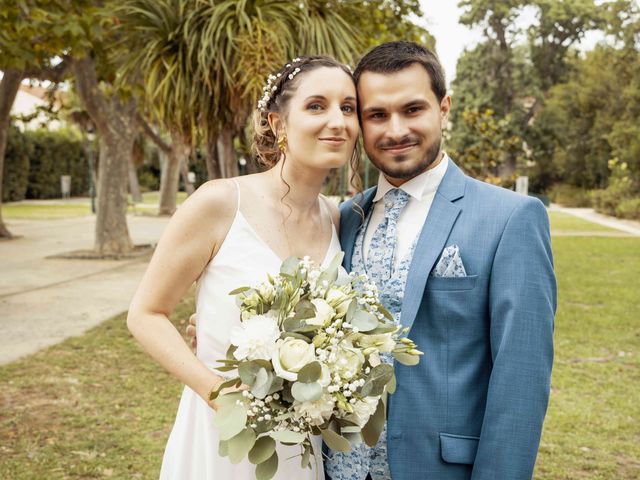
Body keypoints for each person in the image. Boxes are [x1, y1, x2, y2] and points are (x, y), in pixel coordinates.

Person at [189, 41, 556, 479]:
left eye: (413, 109)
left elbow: (522, 382)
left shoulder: (510, 217)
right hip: (329, 466)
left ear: (444, 108)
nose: (395, 130)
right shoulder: (341, 218)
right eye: (377, 115)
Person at [127, 55, 360, 479]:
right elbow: (145, 314)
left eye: (348, 108)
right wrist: (218, 391)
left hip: (300, 449)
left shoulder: (336, 217)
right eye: (316, 106)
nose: (337, 120)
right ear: (277, 123)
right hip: (222, 438)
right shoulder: (219, 203)